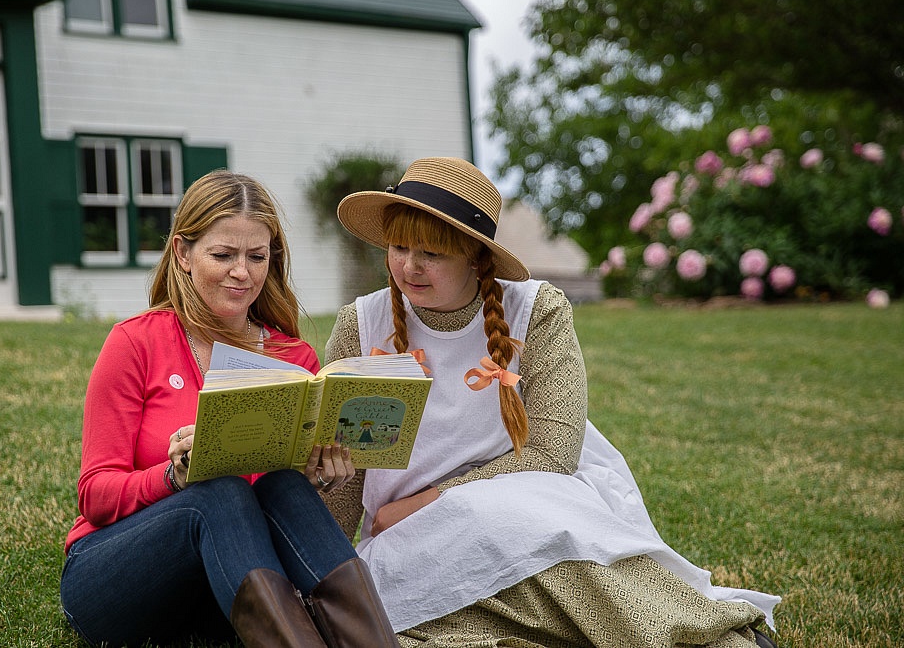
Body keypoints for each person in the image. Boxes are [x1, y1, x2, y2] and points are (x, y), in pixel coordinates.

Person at [321, 157, 782, 648]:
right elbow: (349, 474)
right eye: (398, 247)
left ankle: (709, 639)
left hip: (527, 504)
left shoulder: (536, 311)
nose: (409, 266)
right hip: (411, 542)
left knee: (538, 540)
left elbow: (552, 452)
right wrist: (324, 572)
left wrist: (426, 502)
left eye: (431, 252)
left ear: (477, 259)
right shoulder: (362, 325)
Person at [59, 169, 399, 648]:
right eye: (223, 255)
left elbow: (278, 506)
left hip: (225, 587)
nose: (242, 272)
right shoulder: (135, 342)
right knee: (219, 490)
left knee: (280, 485)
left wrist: (320, 475)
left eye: (257, 257)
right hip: (115, 579)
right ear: (183, 253)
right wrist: (174, 475)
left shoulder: (294, 359)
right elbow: (95, 494)